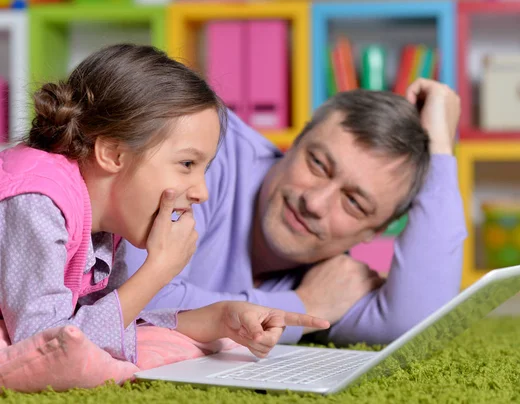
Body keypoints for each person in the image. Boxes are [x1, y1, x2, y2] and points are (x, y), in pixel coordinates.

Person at [0, 44, 329, 363]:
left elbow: (109, 319)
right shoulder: (37, 202)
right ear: (113, 154)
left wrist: (216, 319)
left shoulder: (106, 223)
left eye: (205, 169)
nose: (202, 192)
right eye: (187, 164)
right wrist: (157, 271)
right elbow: (40, 347)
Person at [125, 78, 466, 345]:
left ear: (373, 231)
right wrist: (303, 307)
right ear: (294, 142)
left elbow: (415, 320)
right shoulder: (204, 154)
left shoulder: (331, 279)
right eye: (317, 164)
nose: (315, 203)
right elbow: (130, 299)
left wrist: (439, 149)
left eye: (354, 203)